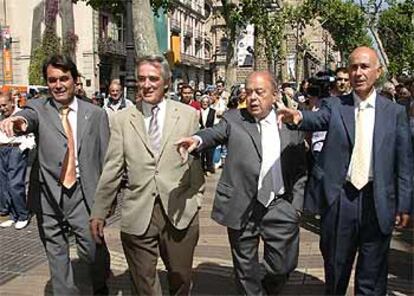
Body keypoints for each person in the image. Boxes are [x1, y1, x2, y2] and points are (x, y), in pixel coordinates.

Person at [277, 46, 413, 295]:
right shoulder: (335, 105)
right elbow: (317, 119)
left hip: (378, 201)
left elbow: (404, 162)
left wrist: (404, 204)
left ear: (378, 71)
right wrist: (297, 117)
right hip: (341, 199)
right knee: (336, 269)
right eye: (353, 67)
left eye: (364, 67)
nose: (358, 73)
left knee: (372, 278)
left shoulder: (395, 113)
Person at [176, 70, 307, 295]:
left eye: (259, 92)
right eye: (249, 92)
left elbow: (300, 169)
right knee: (245, 269)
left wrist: (296, 207)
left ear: (275, 95)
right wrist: (197, 140)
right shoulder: (234, 118)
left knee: (282, 266)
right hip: (242, 205)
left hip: (279, 206)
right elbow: (215, 133)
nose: (253, 97)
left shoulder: (290, 124)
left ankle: (267, 288)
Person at [90, 54, 205, 295]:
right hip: (138, 212)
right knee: (143, 283)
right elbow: (112, 168)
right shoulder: (122, 119)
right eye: (141, 79)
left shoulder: (187, 115)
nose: (147, 84)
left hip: (179, 210)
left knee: (181, 278)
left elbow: (196, 166)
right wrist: (100, 211)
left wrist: (197, 200)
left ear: (166, 82)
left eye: (153, 78)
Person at [0, 55, 111, 295]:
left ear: (74, 80)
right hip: (48, 196)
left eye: (64, 78)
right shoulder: (38, 107)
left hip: (84, 195)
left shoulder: (95, 114)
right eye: (52, 80)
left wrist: (105, 201)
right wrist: (17, 122)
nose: (58, 85)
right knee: (56, 252)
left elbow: (105, 160)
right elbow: (26, 119)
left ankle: (100, 284)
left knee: (93, 250)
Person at [0, 91, 35, 229]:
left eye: (4, 105)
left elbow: (31, 133)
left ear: (12, 102)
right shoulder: (1, 116)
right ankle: (14, 216)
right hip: (2, 150)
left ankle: (23, 215)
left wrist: (23, 149)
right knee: (4, 185)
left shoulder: (21, 115)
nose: (2, 108)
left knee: (15, 184)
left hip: (16, 148)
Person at [199, 95, 216, 175]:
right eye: (203, 102)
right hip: (201, 133)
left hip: (210, 133)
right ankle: (201, 168)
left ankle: (209, 168)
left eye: (206, 102)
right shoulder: (198, 111)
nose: (205, 103)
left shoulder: (213, 111)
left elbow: (215, 122)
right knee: (201, 152)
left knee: (209, 152)